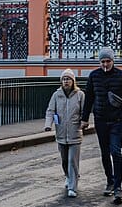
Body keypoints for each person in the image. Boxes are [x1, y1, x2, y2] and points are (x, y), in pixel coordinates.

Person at [82, 47, 122, 204]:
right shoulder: (94, 76)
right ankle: (110, 181)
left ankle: (118, 188)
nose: (105, 64)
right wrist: (85, 119)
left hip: (116, 121)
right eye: (102, 62)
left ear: (113, 61)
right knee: (104, 152)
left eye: (108, 61)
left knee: (116, 152)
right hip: (101, 119)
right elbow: (89, 97)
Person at [45, 69, 86, 198]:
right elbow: (50, 110)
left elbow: (84, 111)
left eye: (68, 79)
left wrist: (84, 122)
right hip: (61, 133)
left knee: (72, 160)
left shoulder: (80, 95)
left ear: (73, 81)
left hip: (75, 132)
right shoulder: (56, 95)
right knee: (64, 160)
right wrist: (48, 124)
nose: (66, 81)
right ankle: (68, 176)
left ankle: (73, 187)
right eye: (64, 79)